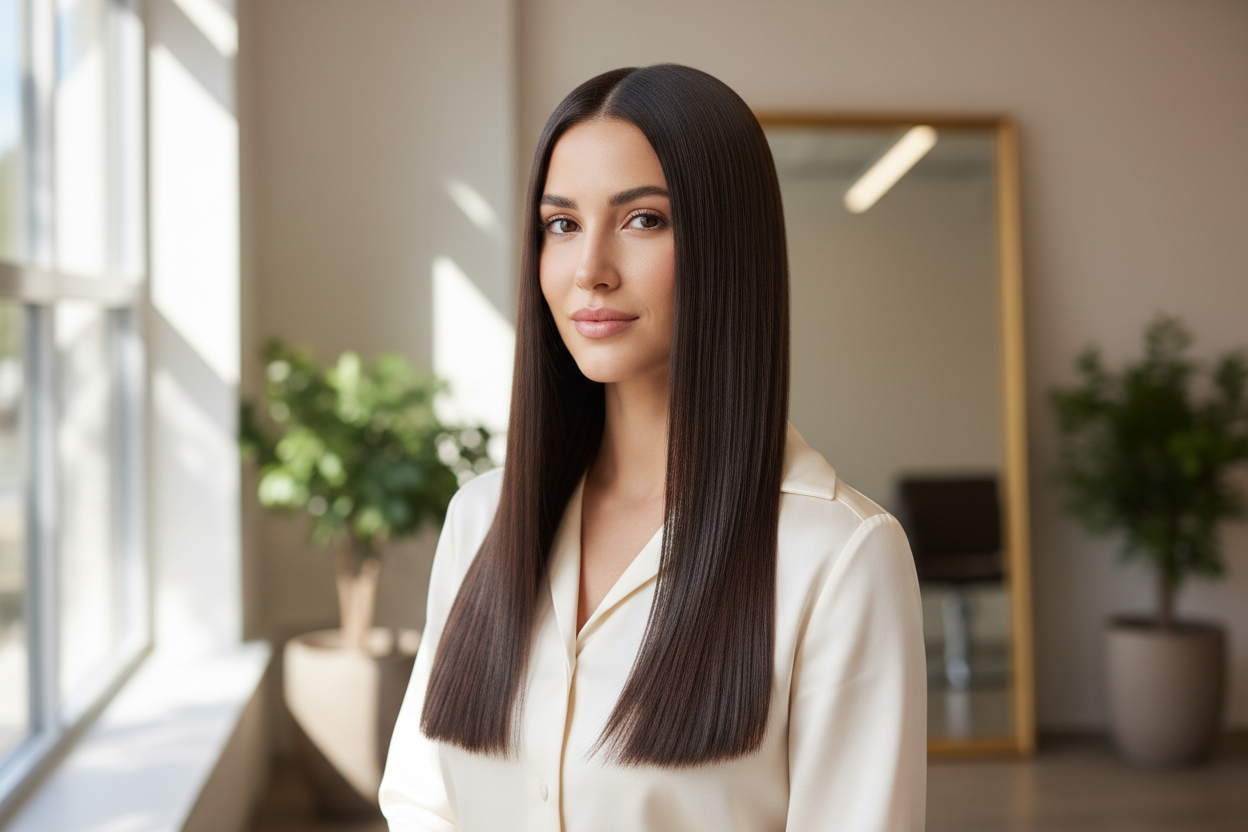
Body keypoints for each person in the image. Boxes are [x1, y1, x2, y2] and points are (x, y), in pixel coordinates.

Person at [379, 64, 926, 832]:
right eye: (561, 225)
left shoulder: (838, 557)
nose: (589, 271)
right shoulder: (481, 519)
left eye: (643, 220)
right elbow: (421, 800)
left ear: (727, 247)